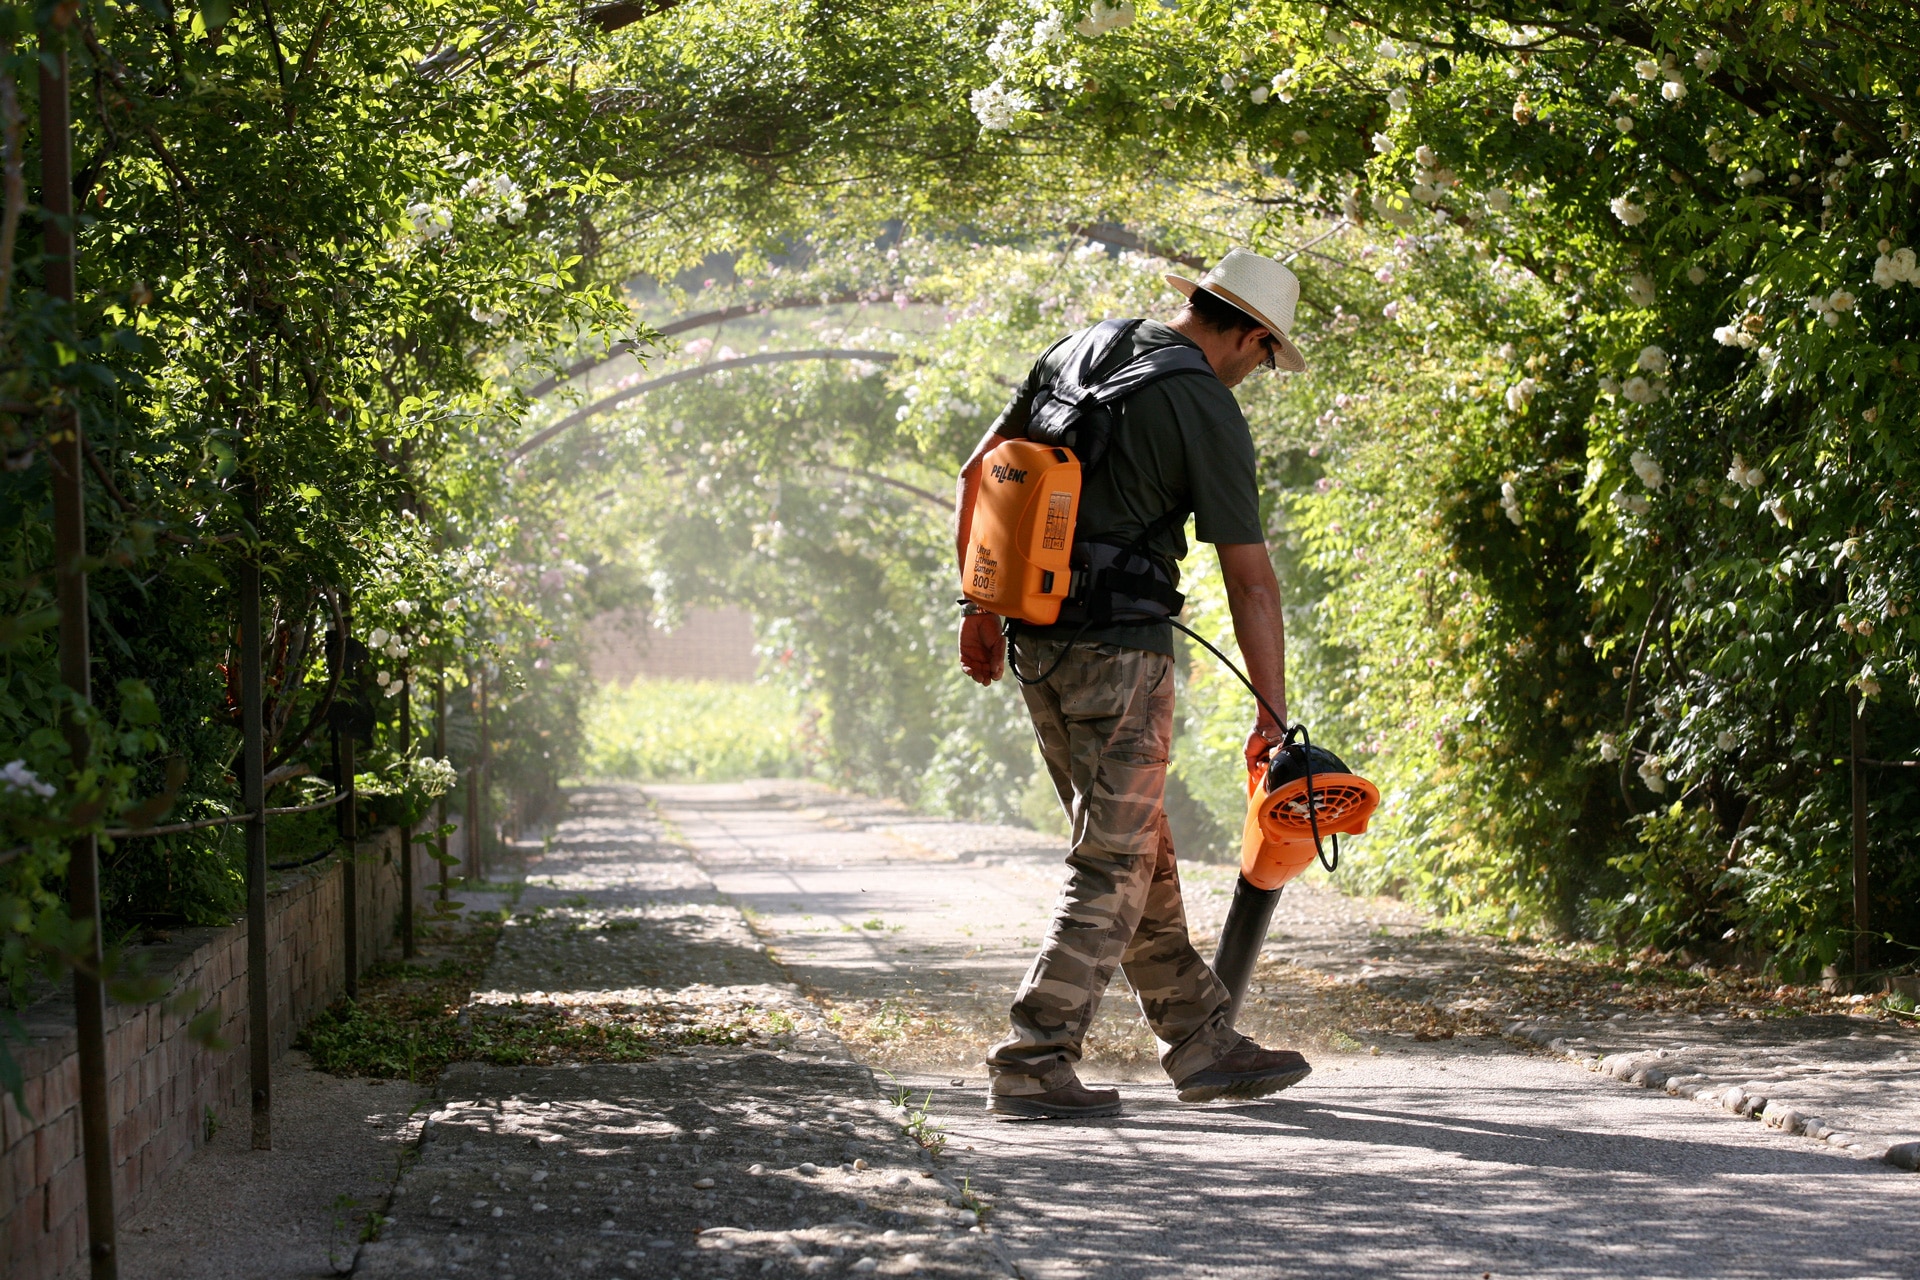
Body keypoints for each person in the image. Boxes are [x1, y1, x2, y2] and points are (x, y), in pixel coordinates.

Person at [954, 249, 1312, 1120]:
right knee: (1112, 858)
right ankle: (1033, 1058)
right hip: (1124, 656)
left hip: (1035, 641)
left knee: (1137, 845)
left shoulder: (1081, 349)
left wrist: (973, 606)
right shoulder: (1203, 401)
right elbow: (1250, 579)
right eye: (1267, 358)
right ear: (1253, 335)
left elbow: (982, 472)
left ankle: (1199, 1039)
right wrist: (1274, 715)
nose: (1259, 374)